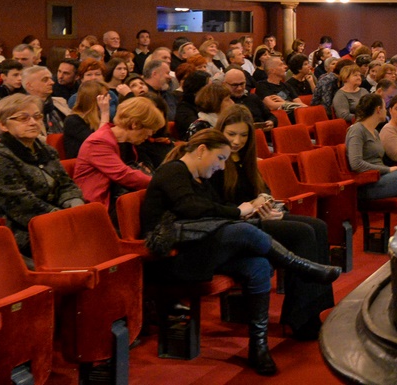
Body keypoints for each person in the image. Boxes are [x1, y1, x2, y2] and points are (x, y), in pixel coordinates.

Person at [140, 128, 341, 376]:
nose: (222, 167)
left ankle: (258, 347)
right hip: (173, 259)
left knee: (257, 265)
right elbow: (191, 208)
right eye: (220, 158)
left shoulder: (199, 178)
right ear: (202, 150)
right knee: (242, 231)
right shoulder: (173, 171)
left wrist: (248, 210)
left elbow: (212, 211)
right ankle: (303, 267)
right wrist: (239, 212)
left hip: (200, 250)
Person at [212, 107, 337, 339]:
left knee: (318, 226)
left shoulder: (246, 158)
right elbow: (219, 206)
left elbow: (265, 191)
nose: (237, 141)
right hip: (238, 225)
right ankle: (299, 317)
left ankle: (314, 309)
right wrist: (254, 206)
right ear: (221, 132)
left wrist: (267, 202)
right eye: (231, 134)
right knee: (302, 234)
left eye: (243, 135)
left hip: (260, 217)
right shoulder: (217, 160)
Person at [0, 94, 85, 255]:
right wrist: (63, 218)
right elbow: (21, 203)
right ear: (3, 125)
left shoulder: (46, 150)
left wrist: (75, 206)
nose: (33, 122)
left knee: (94, 228)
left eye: (37, 116)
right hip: (20, 229)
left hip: (56, 219)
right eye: (23, 118)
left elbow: (66, 184)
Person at [74, 96, 162, 213]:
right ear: (135, 124)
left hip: (119, 198)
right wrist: (160, 183)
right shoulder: (98, 142)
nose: (150, 134)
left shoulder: (126, 143)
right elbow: (123, 175)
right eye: (150, 129)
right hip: (98, 208)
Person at [63, 81, 109, 154]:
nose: (109, 99)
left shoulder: (99, 117)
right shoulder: (73, 121)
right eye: (105, 96)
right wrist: (105, 113)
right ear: (93, 99)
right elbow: (99, 142)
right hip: (84, 162)